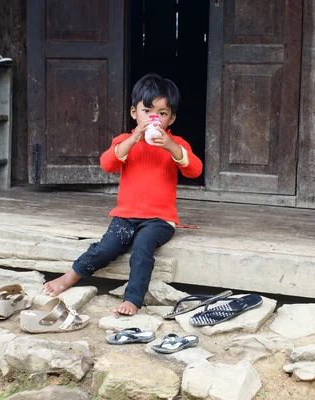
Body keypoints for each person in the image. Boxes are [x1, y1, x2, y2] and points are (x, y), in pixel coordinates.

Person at [44, 73, 203, 315]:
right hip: (126, 216)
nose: (154, 118)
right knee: (106, 248)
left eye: (162, 113)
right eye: (147, 111)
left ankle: (133, 299)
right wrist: (133, 139)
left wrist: (172, 146)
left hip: (159, 219)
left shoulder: (176, 144)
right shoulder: (125, 141)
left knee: (142, 247)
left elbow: (195, 170)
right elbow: (107, 164)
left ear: (171, 119)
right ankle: (68, 278)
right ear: (134, 113)